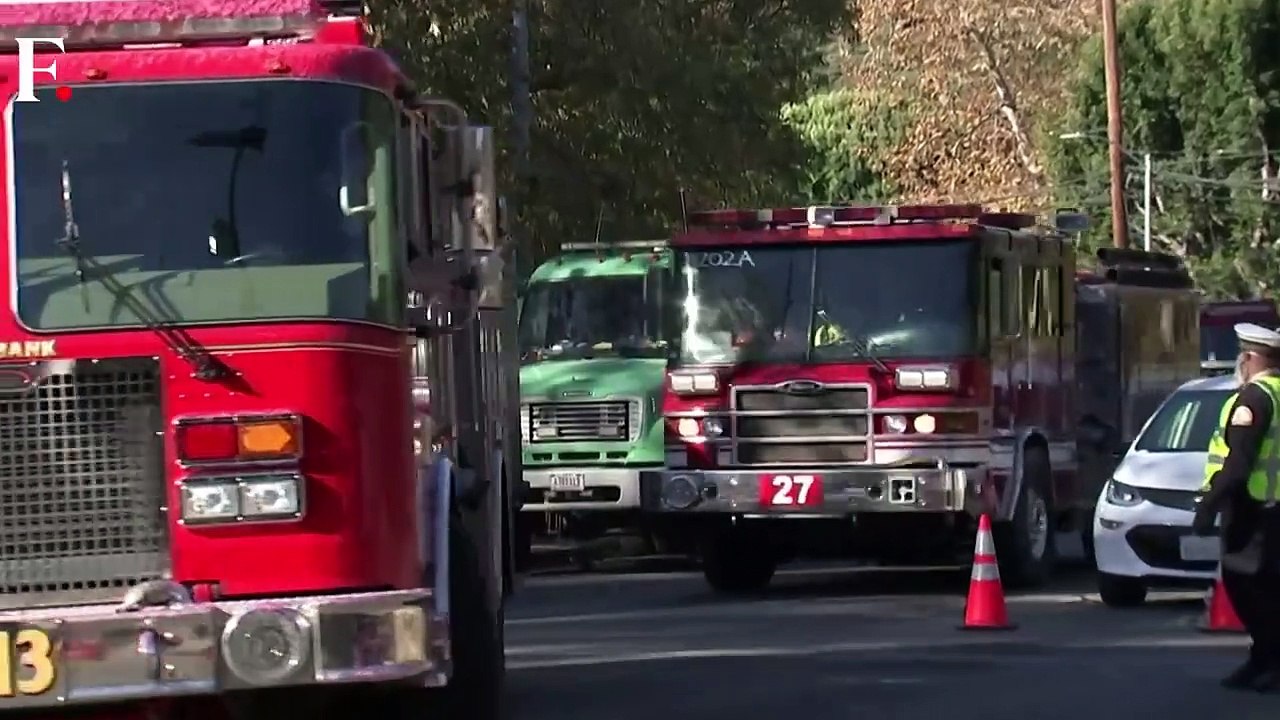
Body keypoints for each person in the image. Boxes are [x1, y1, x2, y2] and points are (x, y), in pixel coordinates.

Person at [1193, 322, 1280, 692]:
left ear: (1249, 357)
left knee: (1246, 584)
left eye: (1242, 355)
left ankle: (1271, 660)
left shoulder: (1254, 398)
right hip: (1273, 508)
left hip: (1253, 508)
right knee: (1268, 587)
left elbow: (1238, 463)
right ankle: (1262, 659)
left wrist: (1208, 506)